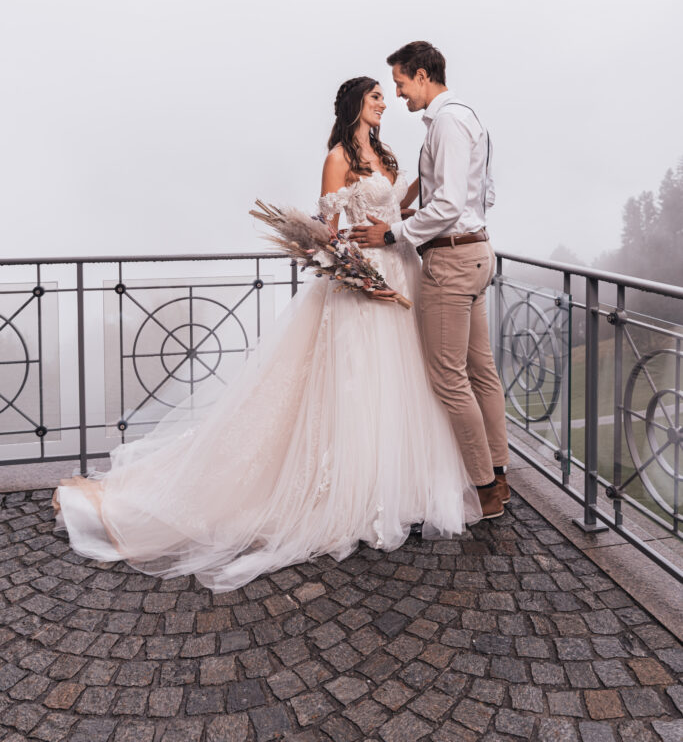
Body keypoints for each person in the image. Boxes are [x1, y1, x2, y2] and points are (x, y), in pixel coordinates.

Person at [53, 76, 480, 592]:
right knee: (356, 383)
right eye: (375, 97)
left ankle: (396, 489)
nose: (384, 103)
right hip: (365, 282)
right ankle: (351, 493)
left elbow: (393, 209)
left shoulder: (387, 153)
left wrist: (401, 219)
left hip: (399, 269)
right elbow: (328, 233)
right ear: (354, 104)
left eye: (385, 96)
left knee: (401, 382)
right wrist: (360, 271)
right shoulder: (337, 157)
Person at [349, 43, 510, 519]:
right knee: (482, 373)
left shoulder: (446, 122)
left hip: (453, 264)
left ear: (422, 75)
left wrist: (394, 231)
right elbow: (481, 194)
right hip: (478, 253)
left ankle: (483, 489)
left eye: (399, 84)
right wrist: (434, 215)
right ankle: (498, 476)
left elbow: (449, 204)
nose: (397, 95)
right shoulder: (468, 117)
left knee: (448, 378)